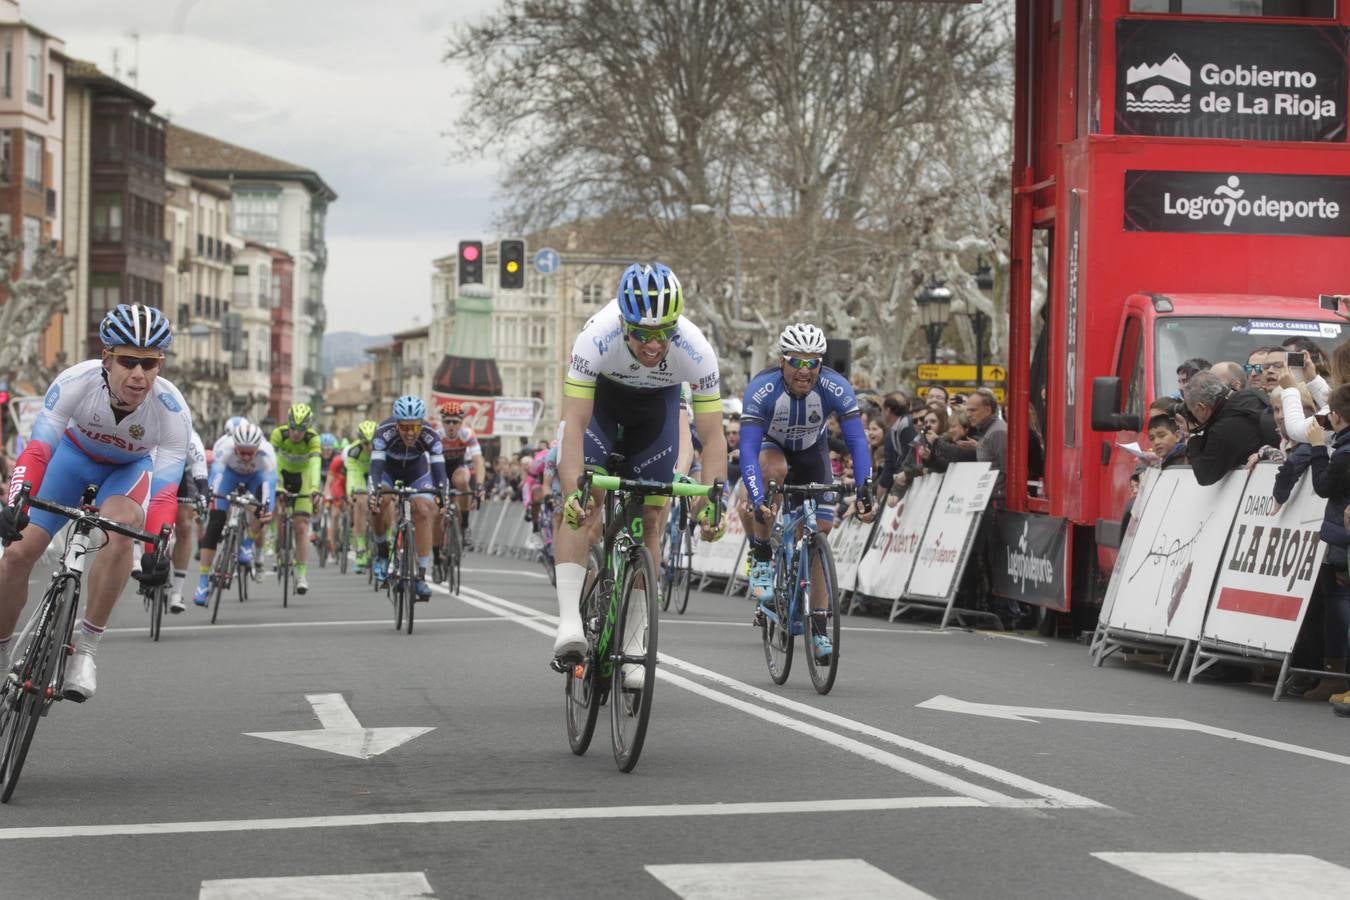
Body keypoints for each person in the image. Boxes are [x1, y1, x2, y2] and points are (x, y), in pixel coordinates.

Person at [0, 304, 188, 700]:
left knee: (120, 534)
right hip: (70, 461)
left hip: (127, 471)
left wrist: (158, 543)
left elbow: (166, 491)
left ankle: (85, 650)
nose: (139, 374)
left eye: (150, 364)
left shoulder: (172, 410)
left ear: (160, 365)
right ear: (107, 357)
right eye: (128, 361)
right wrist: (17, 499)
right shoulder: (75, 382)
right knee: (17, 555)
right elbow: (36, 451)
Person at [552, 262, 728, 673]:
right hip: (602, 408)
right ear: (623, 322)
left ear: (676, 326)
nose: (653, 344)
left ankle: (634, 638)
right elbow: (573, 424)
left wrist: (711, 504)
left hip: (655, 415)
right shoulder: (596, 336)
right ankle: (569, 624)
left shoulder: (696, 349)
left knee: (652, 516)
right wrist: (570, 491)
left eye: (664, 333)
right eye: (642, 334)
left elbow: (714, 437)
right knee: (585, 504)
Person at [739, 323, 875, 657]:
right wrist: (758, 500)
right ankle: (761, 554)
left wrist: (864, 488)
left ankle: (819, 627)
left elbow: (857, 439)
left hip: (813, 452)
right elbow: (747, 449)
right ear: (782, 361)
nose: (805, 370)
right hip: (773, 448)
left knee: (821, 534)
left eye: (813, 362)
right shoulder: (762, 389)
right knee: (774, 471)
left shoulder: (835, 386)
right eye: (797, 362)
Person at [369, 396, 447, 600]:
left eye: (415, 427)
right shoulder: (383, 433)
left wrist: (442, 496)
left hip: (416, 471)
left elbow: (440, 472)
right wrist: (374, 494)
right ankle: (382, 551)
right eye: (405, 427)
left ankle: (420, 576)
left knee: (424, 509)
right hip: (388, 471)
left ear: (421, 423)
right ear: (396, 424)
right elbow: (375, 470)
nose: (411, 433)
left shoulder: (431, 435)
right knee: (381, 501)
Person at [196, 422, 277, 604]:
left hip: (256, 478)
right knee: (215, 523)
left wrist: (266, 507)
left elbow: (269, 485)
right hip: (230, 476)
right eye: (242, 452)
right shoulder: (226, 448)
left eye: (250, 452)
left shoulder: (267, 453)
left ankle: (247, 544)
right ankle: (202, 583)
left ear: (258, 447)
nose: (246, 456)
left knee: (263, 512)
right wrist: (209, 494)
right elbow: (216, 474)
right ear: (235, 447)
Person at [1306, 384, 1350, 703]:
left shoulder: (1345, 451)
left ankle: (1336, 677)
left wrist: (1317, 447)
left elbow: (1323, 486)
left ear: (1335, 415)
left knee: (1338, 608)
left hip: (1342, 541)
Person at [268, 404, 322, 594]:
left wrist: (315, 488)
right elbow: (270, 461)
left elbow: (315, 464)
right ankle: (278, 543)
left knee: (301, 526)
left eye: (301, 430)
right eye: (293, 428)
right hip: (281, 473)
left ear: (306, 428)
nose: (296, 433)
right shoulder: (278, 434)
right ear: (288, 424)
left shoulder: (313, 438)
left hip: (303, 477)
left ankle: (301, 575)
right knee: (278, 511)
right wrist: (275, 485)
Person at [1183, 371, 1270, 486]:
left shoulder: (1222, 429)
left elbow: (1205, 476)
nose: (1193, 417)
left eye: (1193, 412)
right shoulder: (1253, 395)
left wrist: (1193, 438)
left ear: (1201, 407)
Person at [168, 427, 210, 613]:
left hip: (182, 477)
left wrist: (203, 492)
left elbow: (199, 466)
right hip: (155, 471)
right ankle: (139, 559)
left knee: (185, 526)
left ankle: (177, 592)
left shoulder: (191, 436)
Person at [437, 402, 484, 550]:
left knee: (462, 480)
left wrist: (479, 486)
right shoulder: (436, 435)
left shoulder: (467, 434)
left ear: (461, 423)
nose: (451, 425)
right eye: (447, 422)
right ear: (442, 422)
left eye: (455, 422)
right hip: (439, 469)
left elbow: (478, 462)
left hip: (458, 467)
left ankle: (465, 525)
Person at [338, 419, 377, 573]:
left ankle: (387, 539)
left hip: (376, 473)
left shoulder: (383, 449)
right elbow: (352, 476)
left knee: (389, 501)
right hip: (360, 475)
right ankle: (360, 547)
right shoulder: (353, 452)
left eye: (372, 443)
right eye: (365, 443)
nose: (369, 447)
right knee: (360, 503)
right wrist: (351, 494)